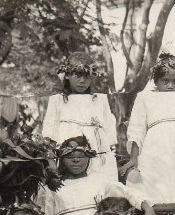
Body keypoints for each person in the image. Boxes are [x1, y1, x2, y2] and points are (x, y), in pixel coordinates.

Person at [123, 52, 175, 204]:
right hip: (155, 148)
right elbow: (136, 130)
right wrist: (133, 158)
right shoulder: (145, 97)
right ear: (156, 81)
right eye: (165, 81)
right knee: (155, 185)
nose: (170, 86)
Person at [40, 51, 120, 184]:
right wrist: (51, 161)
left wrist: (110, 154)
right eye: (77, 75)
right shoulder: (57, 100)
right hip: (68, 150)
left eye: (86, 76)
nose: (82, 81)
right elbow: (50, 132)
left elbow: (109, 131)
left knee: (100, 185)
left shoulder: (100, 99)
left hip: (97, 150)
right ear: (67, 75)